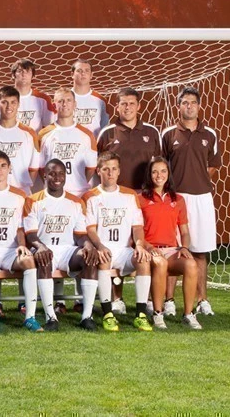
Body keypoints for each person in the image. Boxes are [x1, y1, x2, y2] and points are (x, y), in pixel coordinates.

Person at [82, 151, 167, 332]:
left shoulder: (129, 196)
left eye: (114, 169)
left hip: (124, 249)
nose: (110, 173)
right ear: (99, 171)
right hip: (104, 249)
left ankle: (141, 314)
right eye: (106, 169)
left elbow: (137, 227)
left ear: (119, 172)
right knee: (104, 258)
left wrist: (139, 245)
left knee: (143, 258)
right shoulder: (90, 197)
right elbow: (90, 229)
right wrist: (100, 246)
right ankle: (107, 314)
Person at [96, 88, 162, 312]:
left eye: (131, 104)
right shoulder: (107, 133)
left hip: (144, 197)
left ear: (139, 106)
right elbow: (102, 164)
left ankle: (151, 299)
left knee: (145, 244)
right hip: (118, 196)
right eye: (123, 104)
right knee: (119, 243)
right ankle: (117, 298)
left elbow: (158, 164)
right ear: (118, 106)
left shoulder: (152, 132)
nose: (127, 108)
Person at [161, 86, 222, 316]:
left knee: (200, 252)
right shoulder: (167, 134)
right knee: (173, 251)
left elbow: (213, 166)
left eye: (193, 103)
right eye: (185, 102)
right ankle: (169, 301)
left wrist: (197, 180)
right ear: (179, 106)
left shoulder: (210, 134)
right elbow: (161, 167)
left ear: (199, 106)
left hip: (202, 199)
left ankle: (202, 300)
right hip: (176, 199)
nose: (189, 106)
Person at [0, 151, 44, 333]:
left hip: (11, 250)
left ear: (9, 168)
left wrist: (21, 245)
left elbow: (20, 228)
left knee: (29, 260)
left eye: (3, 166)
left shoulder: (19, 196)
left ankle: (30, 317)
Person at [22, 159, 99, 331]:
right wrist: (41, 247)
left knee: (89, 257)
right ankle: (51, 316)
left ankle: (87, 315)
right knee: (44, 257)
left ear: (65, 176)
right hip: (43, 247)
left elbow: (80, 235)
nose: (57, 177)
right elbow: (31, 235)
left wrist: (87, 245)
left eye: (61, 174)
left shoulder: (76, 202)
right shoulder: (33, 201)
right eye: (52, 173)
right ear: (45, 176)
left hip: (66, 250)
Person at [138, 157, 203, 329]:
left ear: (168, 174)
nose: (159, 175)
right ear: (149, 175)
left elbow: (185, 232)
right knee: (160, 263)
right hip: (150, 250)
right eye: (154, 171)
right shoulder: (140, 199)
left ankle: (189, 314)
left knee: (191, 264)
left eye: (163, 171)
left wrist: (184, 247)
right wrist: (149, 248)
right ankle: (158, 314)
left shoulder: (178, 199)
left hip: (173, 249)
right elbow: (135, 232)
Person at [0, 86, 41, 194]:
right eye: (4, 102)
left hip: (22, 192)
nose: (9, 106)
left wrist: (22, 187)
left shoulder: (29, 133)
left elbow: (33, 168)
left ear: (18, 104)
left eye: (13, 102)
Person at [39, 87, 97, 198]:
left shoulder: (87, 135)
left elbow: (91, 168)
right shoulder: (44, 134)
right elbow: (41, 168)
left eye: (68, 100)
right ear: (54, 105)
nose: (64, 104)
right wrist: (52, 185)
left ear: (75, 104)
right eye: (60, 101)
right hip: (52, 193)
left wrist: (77, 182)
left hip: (79, 193)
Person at [0, 58, 55, 132]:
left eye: (27, 71)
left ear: (33, 76)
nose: (24, 74)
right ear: (13, 75)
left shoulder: (43, 99)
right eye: (20, 71)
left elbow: (50, 127)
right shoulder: (1, 98)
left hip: (33, 142)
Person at [69, 58, 110, 137]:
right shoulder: (63, 99)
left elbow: (104, 129)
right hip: (70, 146)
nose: (83, 73)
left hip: (92, 148)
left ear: (91, 75)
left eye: (87, 70)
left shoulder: (100, 101)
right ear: (72, 75)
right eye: (79, 70)